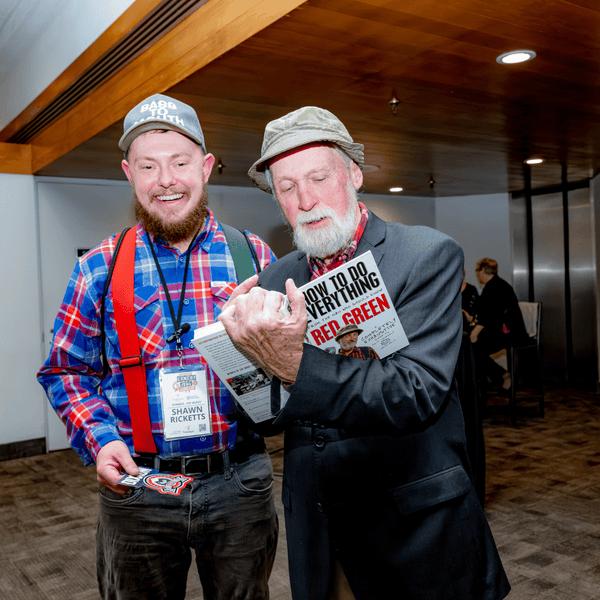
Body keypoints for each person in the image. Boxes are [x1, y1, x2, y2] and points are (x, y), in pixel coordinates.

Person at [219, 107, 511, 600]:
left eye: (317, 177)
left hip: (414, 528)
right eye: (286, 188)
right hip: (319, 527)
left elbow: (415, 391)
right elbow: (268, 421)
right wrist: (243, 354)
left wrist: (294, 364)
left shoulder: (425, 255)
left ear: (353, 173)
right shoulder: (273, 279)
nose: (305, 200)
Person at [37, 94, 278, 600]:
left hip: (239, 481)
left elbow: (289, 362)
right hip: (137, 488)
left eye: (180, 163)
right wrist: (100, 440)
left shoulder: (252, 255)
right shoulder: (99, 267)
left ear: (207, 167)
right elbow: (65, 371)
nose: (166, 180)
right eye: (149, 165)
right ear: (129, 173)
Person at [470, 258, 529, 389]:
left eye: (477, 271)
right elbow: (487, 314)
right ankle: (497, 378)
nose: (477, 274)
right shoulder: (497, 285)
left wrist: (474, 333)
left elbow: (489, 315)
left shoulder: (494, 287)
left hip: (510, 333)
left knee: (472, 348)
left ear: (483, 271)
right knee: (473, 348)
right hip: (506, 331)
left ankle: (499, 377)